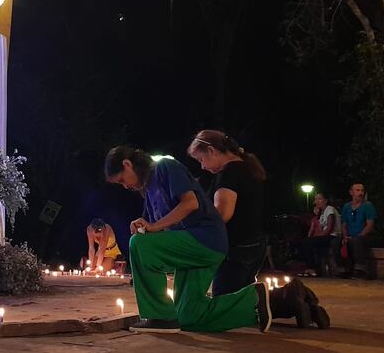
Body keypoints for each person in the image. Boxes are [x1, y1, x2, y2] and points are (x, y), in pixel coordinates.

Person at [104, 146, 271, 333]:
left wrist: (154, 227)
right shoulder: (149, 191)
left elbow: (191, 203)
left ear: (127, 165)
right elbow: (158, 230)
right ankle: (252, 301)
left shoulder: (165, 167)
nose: (125, 186)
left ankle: (159, 316)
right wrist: (145, 227)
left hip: (206, 240)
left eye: (121, 180)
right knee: (189, 317)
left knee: (138, 245)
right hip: (190, 251)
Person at [187, 130, 267, 295]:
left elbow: (222, 213)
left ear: (211, 151)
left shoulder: (229, 173)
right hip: (255, 244)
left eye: (201, 159)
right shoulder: (249, 168)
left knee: (224, 303)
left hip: (237, 249)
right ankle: (289, 300)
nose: (202, 166)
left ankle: (286, 299)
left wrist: (194, 223)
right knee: (241, 297)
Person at [339, 183, 377, 278]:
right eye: (357, 190)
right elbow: (343, 224)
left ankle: (361, 270)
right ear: (351, 192)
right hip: (350, 235)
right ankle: (343, 269)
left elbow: (369, 225)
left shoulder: (368, 205)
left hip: (364, 236)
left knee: (357, 241)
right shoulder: (346, 207)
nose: (360, 193)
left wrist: (358, 236)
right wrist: (345, 236)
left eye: (362, 190)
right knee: (336, 241)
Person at [302, 193, 340, 276]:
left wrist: (317, 237)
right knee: (307, 242)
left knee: (309, 242)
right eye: (315, 199)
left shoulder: (329, 209)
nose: (316, 201)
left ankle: (311, 268)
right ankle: (315, 268)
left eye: (319, 199)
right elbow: (320, 229)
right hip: (326, 236)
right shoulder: (321, 213)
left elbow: (329, 228)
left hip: (332, 236)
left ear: (325, 201)